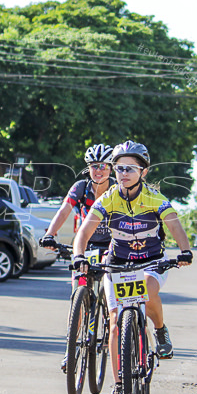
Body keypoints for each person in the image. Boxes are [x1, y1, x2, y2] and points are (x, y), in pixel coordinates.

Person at [72, 140, 193, 394]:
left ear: (144, 172)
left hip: (151, 263)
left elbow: (174, 224)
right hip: (117, 264)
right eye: (119, 168)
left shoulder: (154, 198)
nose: (123, 173)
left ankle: (160, 332)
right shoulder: (110, 197)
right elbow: (85, 230)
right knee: (115, 322)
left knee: (148, 293)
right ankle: (118, 386)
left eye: (130, 168)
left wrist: (185, 250)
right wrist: (79, 254)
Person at [39, 143, 115, 372]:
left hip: (113, 245)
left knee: (113, 300)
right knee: (77, 296)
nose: (98, 170)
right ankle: (70, 350)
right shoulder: (81, 187)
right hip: (86, 245)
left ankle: (114, 335)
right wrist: (50, 234)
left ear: (111, 168)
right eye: (94, 166)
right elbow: (64, 209)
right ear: (88, 168)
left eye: (103, 166)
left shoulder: (117, 189)